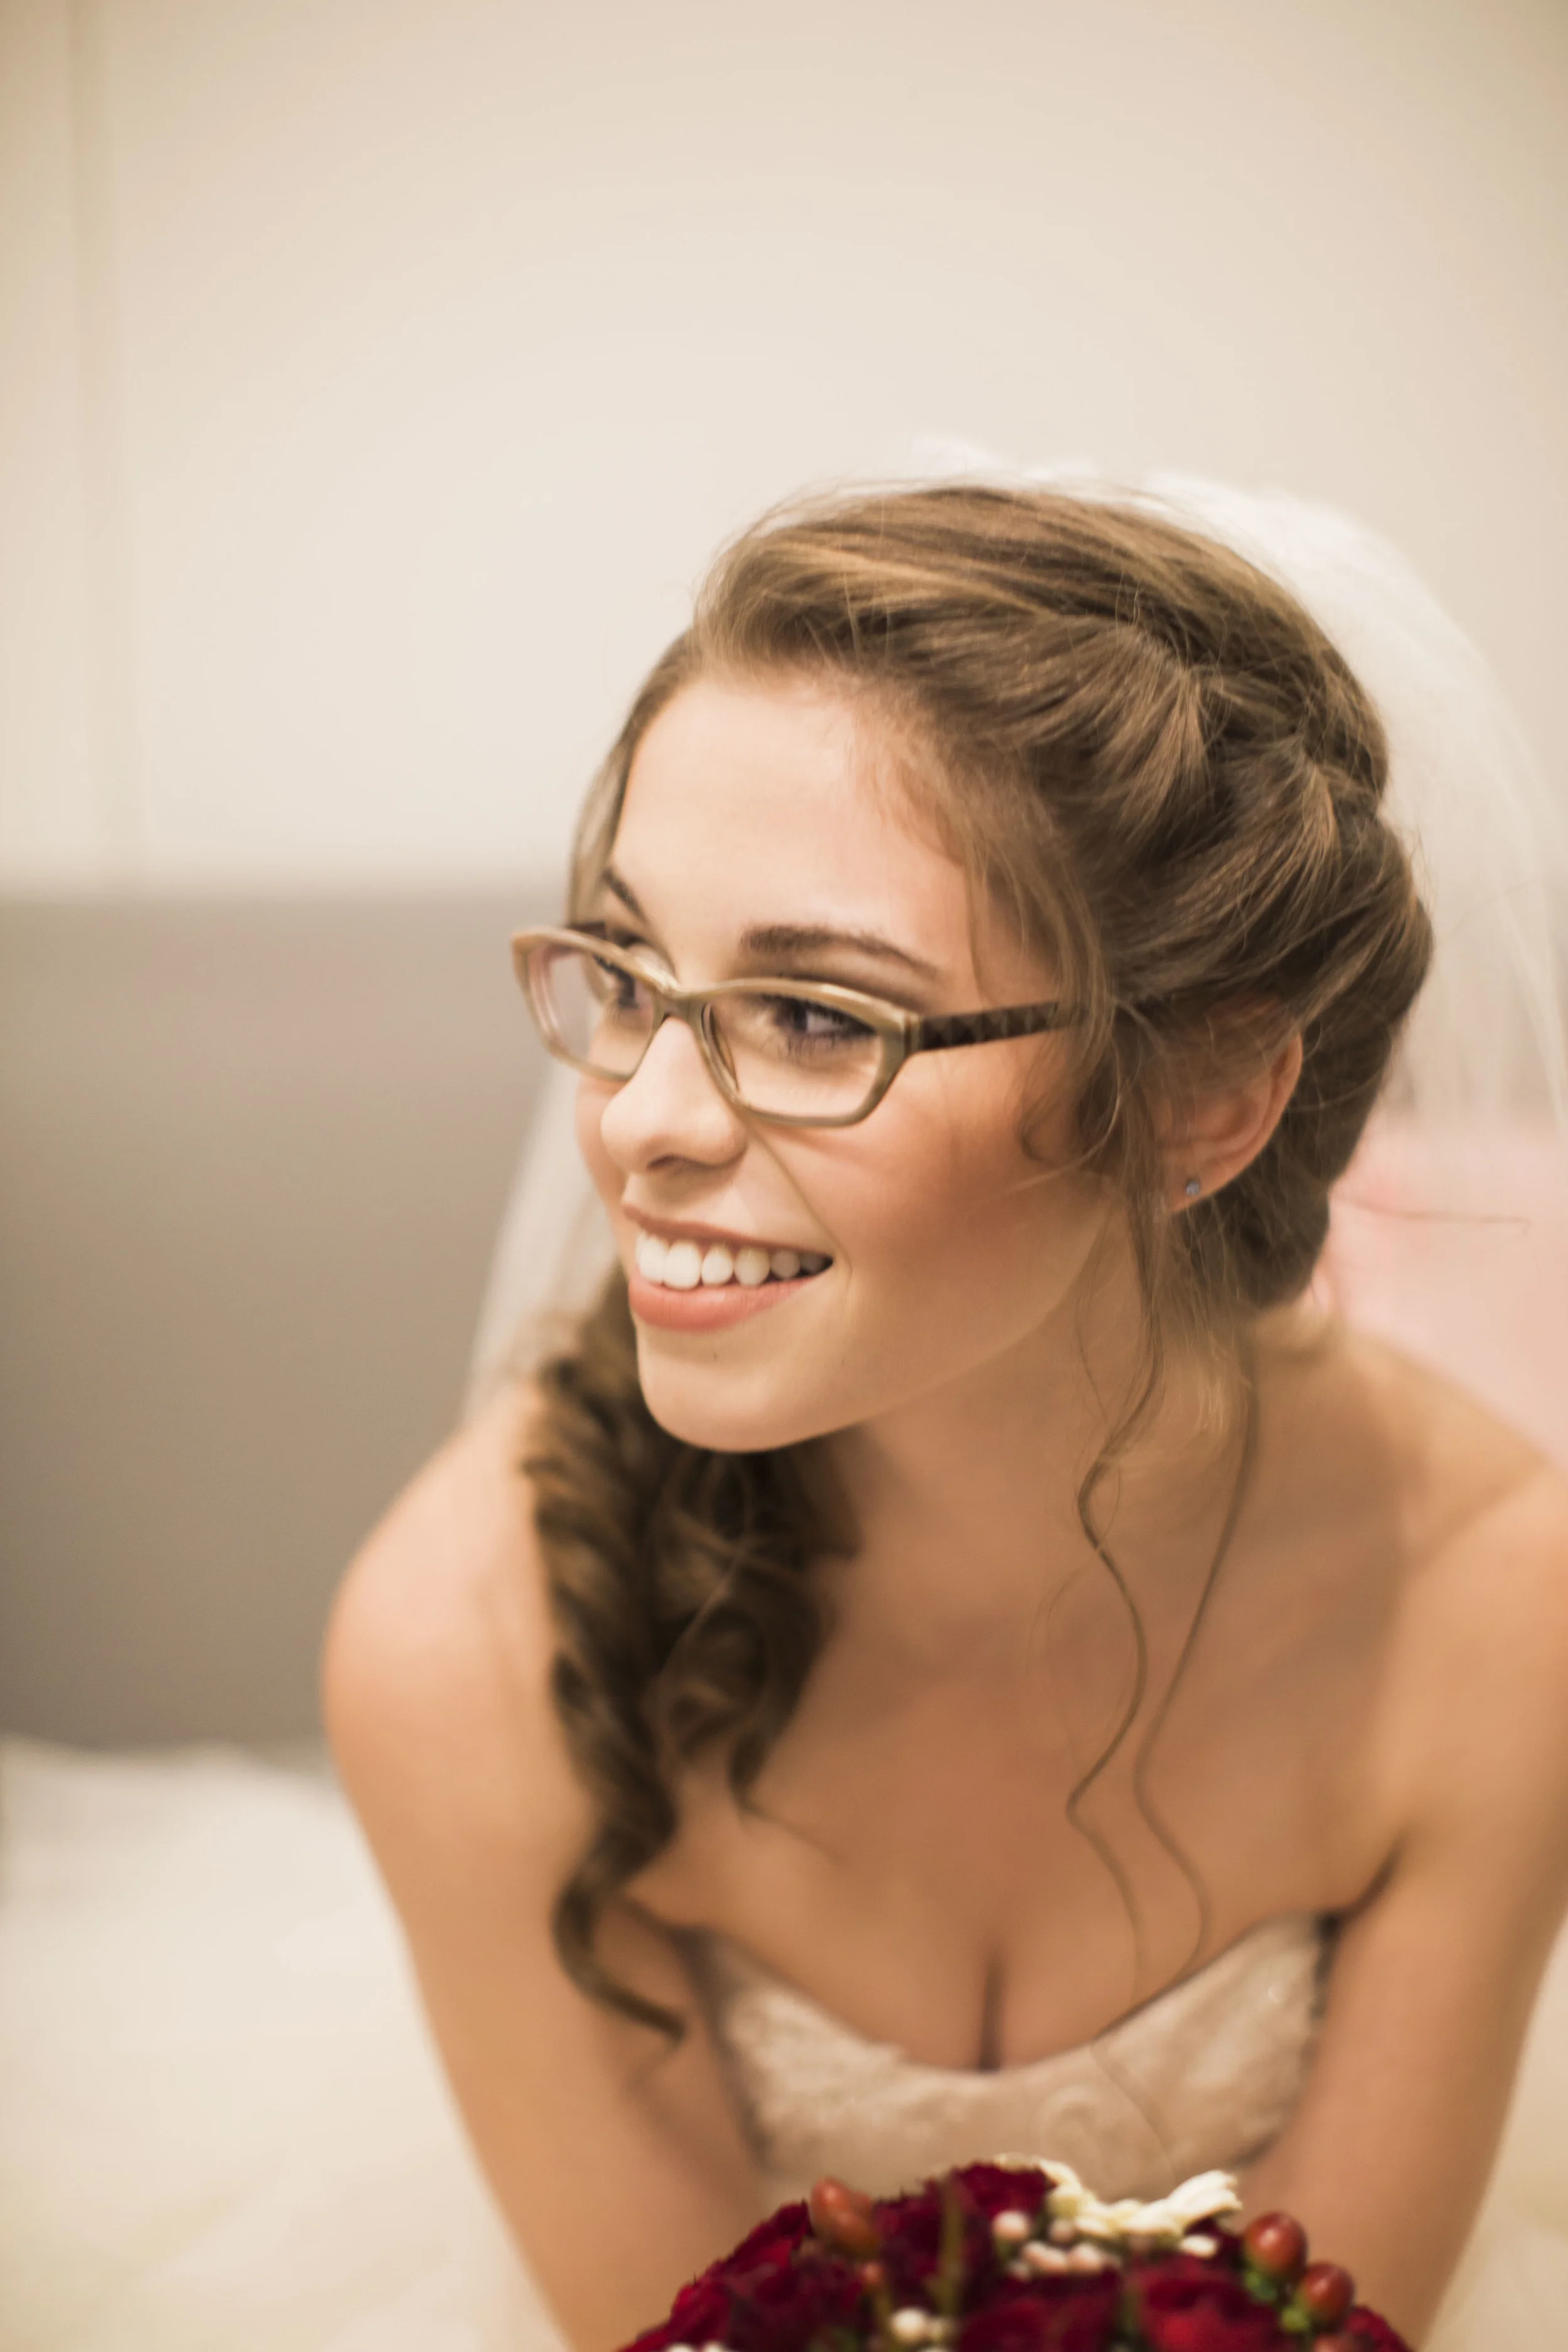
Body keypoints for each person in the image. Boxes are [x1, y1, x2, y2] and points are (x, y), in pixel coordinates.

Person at [323, 479, 1568, 2352]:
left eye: (819, 1017)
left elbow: (1325, 2318)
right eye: (630, 972)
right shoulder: (471, 1637)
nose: (642, 1121)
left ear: (1205, 1098)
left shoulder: (1493, 1605)